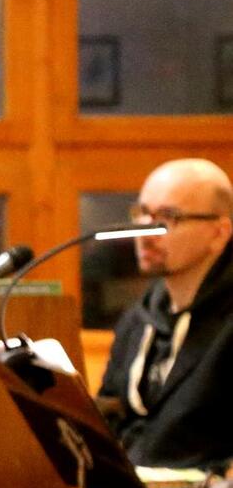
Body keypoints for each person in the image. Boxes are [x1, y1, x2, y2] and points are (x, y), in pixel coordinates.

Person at [97, 158, 233, 471]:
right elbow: (109, 413)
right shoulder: (138, 318)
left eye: (168, 217)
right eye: (142, 213)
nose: (145, 231)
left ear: (219, 233)